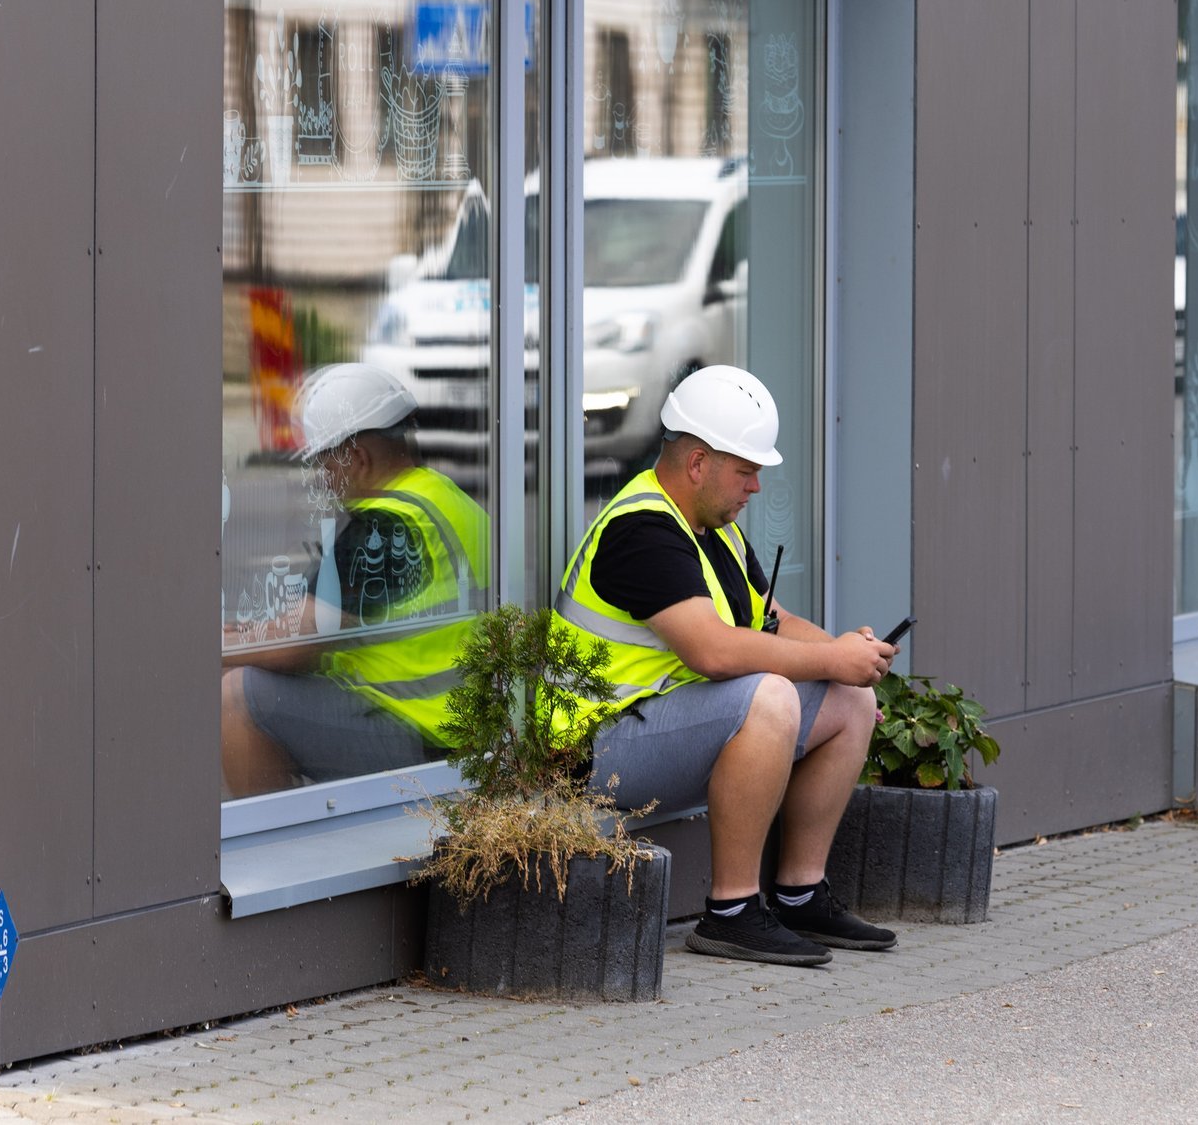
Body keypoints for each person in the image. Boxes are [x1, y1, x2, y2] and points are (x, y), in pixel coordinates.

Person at [551, 365, 899, 967]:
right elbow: (712, 653)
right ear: (697, 464)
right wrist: (829, 658)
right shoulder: (643, 529)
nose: (756, 487)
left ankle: (799, 894)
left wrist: (846, 658)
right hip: (591, 754)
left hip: (657, 730)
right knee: (770, 696)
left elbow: (775, 623)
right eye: (746, 470)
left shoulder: (715, 528)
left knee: (850, 701)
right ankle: (732, 914)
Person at [222, 363, 490, 798]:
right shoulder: (441, 498)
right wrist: (247, 633)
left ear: (359, 458)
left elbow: (299, 643)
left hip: (425, 738)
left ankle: (278, 851)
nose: (323, 481)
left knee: (237, 695)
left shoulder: (385, 528)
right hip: (468, 731)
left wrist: (218, 646)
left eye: (325, 466)